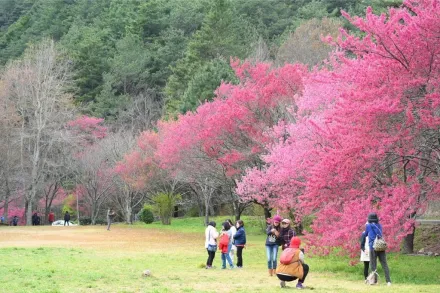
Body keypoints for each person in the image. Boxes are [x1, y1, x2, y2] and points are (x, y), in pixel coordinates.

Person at [365, 212, 391, 286]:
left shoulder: (368, 226)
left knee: (373, 265)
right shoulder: (379, 225)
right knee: (384, 264)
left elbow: (366, 234)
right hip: (380, 246)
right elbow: (380, 234)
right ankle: (388, 281)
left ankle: (374, 281)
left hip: (372, 247)